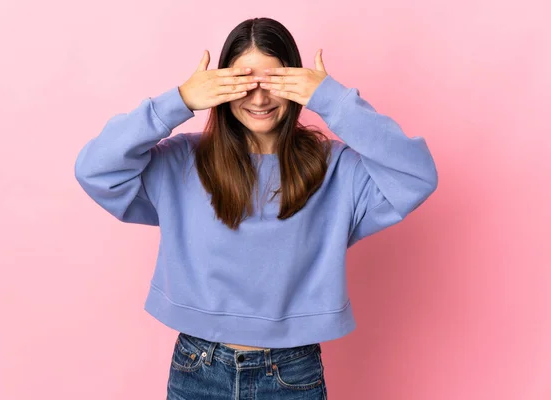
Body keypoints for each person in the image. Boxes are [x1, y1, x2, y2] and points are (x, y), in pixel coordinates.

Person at [74, 16, 438, 400]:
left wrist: (333, 100)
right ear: (220, 86)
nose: (260, 98)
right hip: (198, 366)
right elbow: (95, 169)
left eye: (274, 82)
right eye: (244, 82)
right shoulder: (181, 161)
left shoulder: (337, 170)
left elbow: (417, 176)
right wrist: (177, 102)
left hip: (292, 372)